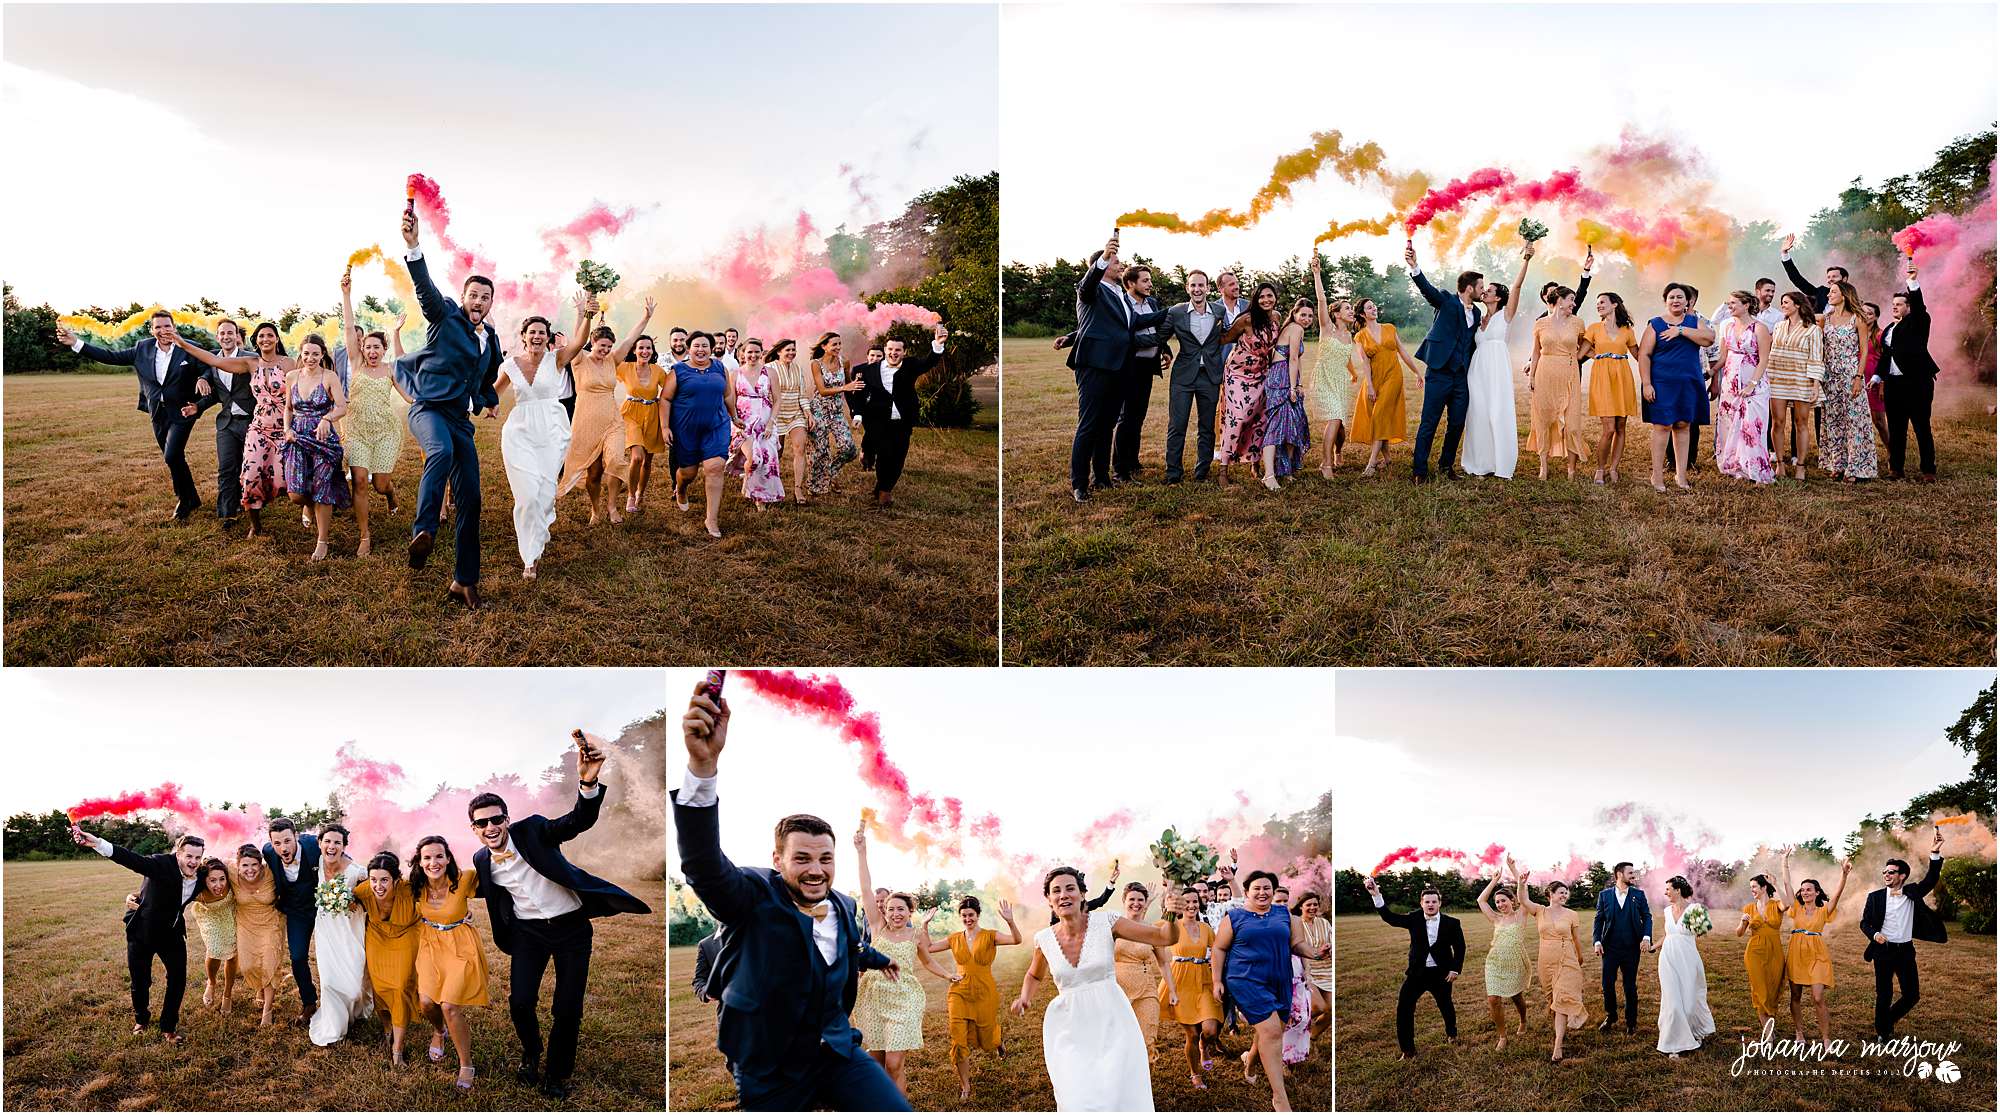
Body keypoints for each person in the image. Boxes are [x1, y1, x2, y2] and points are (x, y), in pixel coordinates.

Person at [674, 683, 912, 1112]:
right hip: (770, 1068)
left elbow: (849, 948)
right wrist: (701, 767)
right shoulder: (752, 897)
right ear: (777, 860)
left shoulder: (844, 904)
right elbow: (704, 866)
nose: (816, 869)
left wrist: (881, 958)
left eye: (825, 858)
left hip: (838, 1053)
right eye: (801, 858)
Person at [470, 732, 651, 1099]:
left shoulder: (534, 830)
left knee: (567, 1009)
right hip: (527, 934)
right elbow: (468, 890)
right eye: (481, 822)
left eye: (496, 819)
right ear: (473, 829)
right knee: (520, 1002)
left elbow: (577, 821)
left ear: (506, 820)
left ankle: (557, 1073)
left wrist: (587, 782)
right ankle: (531, 1054)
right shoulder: (481, 861)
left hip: (571, 929)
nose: (490, 827)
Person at [394, 203, 503, 610]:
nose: (478, 300)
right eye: (473, 294)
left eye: (485, 297)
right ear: (463, 298)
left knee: (472, 499)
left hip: (460, 420)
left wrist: (488, 402)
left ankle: (464, 581)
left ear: (491, 303)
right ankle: (423, 531)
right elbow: (423, 287)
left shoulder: (488, 337)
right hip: (428, 409)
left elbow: (485, 376)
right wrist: (414, 246)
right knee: (438, 451)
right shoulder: (445, 316)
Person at [1010, 865, 1180, 1113]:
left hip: (1112, 1019)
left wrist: (1172, 915)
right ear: (1049, 899)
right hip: (1070, 1026)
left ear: (1082, 894)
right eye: (1056, 891)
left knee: (1117, 1089)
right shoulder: (1043, 939)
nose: (1063, 895)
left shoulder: (1107, 922)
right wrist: (1025, 997)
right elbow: (1034, 974)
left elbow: (1165, 937)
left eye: (1070, 888)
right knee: (1077, 1096)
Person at [55, 311, 208, 521]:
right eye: (158, 327)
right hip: (157, 411)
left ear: (174, 327)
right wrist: (76, 343)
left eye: (166, 326)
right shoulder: (141, 348)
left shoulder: (187, 346)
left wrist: (202, 377)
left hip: (183, 410)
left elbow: (207, 364)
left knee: (172, 455)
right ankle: (192, 498)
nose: (163, 330)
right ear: (151, 330)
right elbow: (110, 356)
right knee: (174, 458)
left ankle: (183, 500)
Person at [70, 825, 203, 1045]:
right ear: (178, 854)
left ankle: (168, 1027)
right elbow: (131, 859)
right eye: (189, 856)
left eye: (198, 857)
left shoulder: (201, 873)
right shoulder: (161, 864)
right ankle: (141, 1019)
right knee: (140, 981)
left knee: (178, 980)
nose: (193, 861)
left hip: (172, 933)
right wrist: (97, 843)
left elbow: (222, 874)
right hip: (142, 932)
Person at [169, 321, 302, 535]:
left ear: (277, 338)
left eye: (270, 335)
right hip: (257, 428)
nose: (265, 339)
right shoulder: (250, 363)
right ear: (256, 341)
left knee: (285, 479)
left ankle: (307, 507)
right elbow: (214, 360)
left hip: (284, 428)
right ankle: (254, 525)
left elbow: (303, 391)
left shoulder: (289, 364)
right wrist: (183, 344)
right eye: (261, 336)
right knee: (249, 475)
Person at [1067, 239, 1166, 502]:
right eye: (1116, 261)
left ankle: (1101, 476)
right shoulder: (1090, 289)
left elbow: (1136, 321)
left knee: (1107, 425)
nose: (1120, 264)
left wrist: (1173, 313)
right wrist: (1103, 258)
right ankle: (1079, 484)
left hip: (1120, 367)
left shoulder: (1120, 295)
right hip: (1095, 365)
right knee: (1088, 425)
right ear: (1102, 265)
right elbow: (1088, 284)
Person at [1219, 870, 1325, 1110]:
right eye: (1256, 888)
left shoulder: (1285, 916)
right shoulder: (1234, 917)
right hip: (1245, 979)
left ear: (1274, 891)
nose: (1262, 892)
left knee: (1273, 1030)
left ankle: (1251, 1062)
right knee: (1272, 1032)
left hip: (1279, 980)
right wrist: (1218, 981)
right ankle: (1280, 1097)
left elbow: (1297, 945)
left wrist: (1316, 954)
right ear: (1247, 892)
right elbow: (1219, 949)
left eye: (1267, 887)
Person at [496, 307, 588, 579]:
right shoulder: (511, 365)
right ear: (523, 336)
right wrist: (478, 404)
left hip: (551, 431)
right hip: (519, 432)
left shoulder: (555, 360)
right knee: (526, 497)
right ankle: (530, 557)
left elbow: (580, 341)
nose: (537, 336)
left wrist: (587, 314)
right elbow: (493, 392)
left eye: (541, 332)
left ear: (547, 337)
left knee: (545, 494)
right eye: (532, 332)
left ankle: (540, 530)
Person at [559, 296, 654, 524]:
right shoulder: (579, 359)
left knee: (616, 462)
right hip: (586, 421)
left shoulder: (613, 360)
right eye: (603, 346)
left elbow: (631, 339)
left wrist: (646, 317)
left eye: (609, 347)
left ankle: (612, 506)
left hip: (612, 419)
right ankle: (595, 509)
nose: (606, 350)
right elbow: (578, 337)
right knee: (593, 474)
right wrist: (583, 314)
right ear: (593, 342)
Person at [921, 895, 1022, 1102]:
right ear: (960, 917)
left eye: (971, 915)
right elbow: (928, 947)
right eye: (964, 915)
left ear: (978, 915)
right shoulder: (954, 938)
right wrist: (924, 924)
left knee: (986, 1038)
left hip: (985, 992)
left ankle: (997, 1041)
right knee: (958, 1039)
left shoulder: (990, 936)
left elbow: (1016, 940)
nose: (968, 919)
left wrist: (1010, 921)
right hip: (959, 991)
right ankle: (965, 1086)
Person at [1402, 242, 1485, 483]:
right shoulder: (1447, 301)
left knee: (1457, 423)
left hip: (1461, 376)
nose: (1482, 290)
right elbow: (1427, 290)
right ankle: (1419, 470)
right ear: (1469, 288)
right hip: (1439, 372)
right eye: (1480, 287)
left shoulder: (1477, 313)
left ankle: (1446, 465)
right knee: (1429, 422)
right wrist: (1415, 266)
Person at [411, 834, 488, 1090]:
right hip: (430, 945)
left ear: (448, 858)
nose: (434, 862)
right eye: (427, 857)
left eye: (439, 856)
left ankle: (466, 1064)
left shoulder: (464, 879)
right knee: (425, 1002)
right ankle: (438, 1031)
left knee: (449, 1005)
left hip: (460, 945)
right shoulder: (414, 886)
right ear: (420, 862)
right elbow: (381, 885)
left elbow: (497, 878)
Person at [337, 268, 405, 556]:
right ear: (362, 349)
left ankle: (390, 494)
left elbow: (409, 396)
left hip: (386, 431)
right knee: (361, 482)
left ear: (383, 348)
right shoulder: (356, 364)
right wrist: (346, 294)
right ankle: (365, 535)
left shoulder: (391, 369)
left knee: (379, 484)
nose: (372, 351)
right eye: (368, 347)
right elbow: (350, 328)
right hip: (357, 431)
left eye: (377, 347)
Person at [1362, 875, 1463, 1060]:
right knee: (1404, 1008)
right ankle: (1408, 1051)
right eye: (1427, 902)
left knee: (1445, 1005)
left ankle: (1452, 1033)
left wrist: (1455, 969)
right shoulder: (1414, 918)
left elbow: (1460, 948)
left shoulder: (1452, 923)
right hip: (1417, 974)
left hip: (1441, 974)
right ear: (1421, 903)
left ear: (1439, 903)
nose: (1430, 904)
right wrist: (1376, 895)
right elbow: (1390, 918)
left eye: (1434, 901)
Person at [1860, 829, 1947, 1040]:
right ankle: (1884, 1032)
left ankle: (1885, 1021)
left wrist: (1934, 853)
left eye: (1891, 872)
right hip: (1883, 950)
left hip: (1905, 951)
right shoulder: (1875, 897)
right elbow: (1865, 922)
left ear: (1902, 876)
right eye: (1885, 872)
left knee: (1911, 995)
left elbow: (1931, 878)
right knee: (1884, 994)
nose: (1886, 875)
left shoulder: (1912, 892)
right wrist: (1875, 935)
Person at [856, 324, 950, 507]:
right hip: (878, 421)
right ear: (885, 350)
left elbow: (929, 362)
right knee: (884, 455)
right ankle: (884, 492)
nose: (893, 353)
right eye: (890, 349)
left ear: (904, 352)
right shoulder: (870, 370)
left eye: (898, 350)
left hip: (902, 422)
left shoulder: (911, 365)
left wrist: (938, 344)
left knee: (898, 457)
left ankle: (884, 487)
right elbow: (859, 394)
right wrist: (858, 414)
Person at [278, 334, 352, 560]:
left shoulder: (329, 377)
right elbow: (288, 408)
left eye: (316, 354)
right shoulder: (291, 376)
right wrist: (287, 429)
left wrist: (327, 419)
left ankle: (322, 541)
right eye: (307, 353)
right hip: (297, 435)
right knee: (295, 494)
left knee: (322, 488)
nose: (310, 358)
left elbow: (341, 407)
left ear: (322, 355)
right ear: (300, 352)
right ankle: (307, 506)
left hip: (322, 438)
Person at [1461, 247, 1533, 479]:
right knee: (1478, 414)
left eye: (1489, 290)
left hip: (1497, 370)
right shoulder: (1479, 318)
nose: (1485, 292)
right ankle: (1480, 464)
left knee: (1497, 413)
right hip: (1477, 370)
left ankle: (1501, 465)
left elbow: (1517, 287)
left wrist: (1526, 260)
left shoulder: (1506, 315)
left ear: (1498, 297)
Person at [1637, 283, 1716, 492]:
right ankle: (1658, 476)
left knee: (1683, 426)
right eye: (1671, 297)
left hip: (1688, 383)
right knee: (1662, 427)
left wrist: (1680, 331)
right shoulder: (1655, 324)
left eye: (1680, 297)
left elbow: (1709, 338)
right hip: (1662, 383)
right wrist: (1646, 383)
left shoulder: (1694, 322)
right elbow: (1644, 354)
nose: (1676, 300)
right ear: (1665, 301)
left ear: (1687, 301)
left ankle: (1681, 476)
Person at [664, 332, 739, 539]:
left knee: (715, 468)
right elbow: (666, 399)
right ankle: (680, 488)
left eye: (705, 345)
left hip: (716, 424)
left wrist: (734, 416)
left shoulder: (719, 368)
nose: (701, 349)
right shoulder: (678, 371)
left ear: (711, 348)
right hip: (686, 428)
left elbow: (728, 394)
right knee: (688, 473)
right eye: (696, 345)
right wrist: (664, 427)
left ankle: (711, 519)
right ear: (689, 348)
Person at [356, 850, 426, 1066]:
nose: (378, 886)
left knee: (400, 986)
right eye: (374, 879)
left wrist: (464, 914)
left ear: (397, 880)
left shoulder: (409, 890)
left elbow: (438, 898)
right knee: (380, 988)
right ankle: (388, 1029)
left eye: (385, 880)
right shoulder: (363, 890)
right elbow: (343, 901)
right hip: (377, 937)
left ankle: (398, 1049)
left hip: (406, 935)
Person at [1873, 256, 1939, 481]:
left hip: (1917, 382)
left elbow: (1920, 307)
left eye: (1900, 304)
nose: (1894, 307)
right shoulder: (1890, 327)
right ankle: (1896, 469)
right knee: (1897, 428)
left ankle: (1928, 470)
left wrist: (1913, 282)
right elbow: (1886, 355)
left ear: (1909, 307)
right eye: (1893, 304)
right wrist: (1877, 375)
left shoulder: (1919, 321)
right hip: (1893, 384)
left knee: (1921, 427)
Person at [1160, 270, 1229, 484]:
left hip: (1209, 376)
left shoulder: (1219, 311)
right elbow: (1160, 336)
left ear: (1208, 288)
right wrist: (1165, 351)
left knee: (1207, 426)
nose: (1197, 289)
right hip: (1183, 376)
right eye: (1193, 286)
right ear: (1187, 288)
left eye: (1201, 285)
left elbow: (1228, 334)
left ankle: (1202, 471)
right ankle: (1173, 473)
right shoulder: (1176, 312)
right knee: (1177, 425)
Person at [1514, 864, 1587, 1062]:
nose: (1565, 895)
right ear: (1551, 894)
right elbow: (1523, 899)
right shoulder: (1539, 911)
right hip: (1546, 960)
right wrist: (1521, 884)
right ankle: (1559, 1029)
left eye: (1566, 892)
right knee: (1552, 1000)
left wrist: (1580, 957)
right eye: (1561, 892)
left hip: (1567, 959)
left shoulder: (1572, 914)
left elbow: (1576, 939)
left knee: (1562, 999)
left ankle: (1558, 1046)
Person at [189, 319, 258, 526]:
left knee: (249, 468)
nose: (226, 336)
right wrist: (197, 406)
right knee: (226, 467)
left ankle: (253, 504)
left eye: (230, 332)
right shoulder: (211, 361)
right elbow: (217, 395)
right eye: (222, 333)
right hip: (226, 423)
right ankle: (228, 513)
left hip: (251, 421)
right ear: (217, 337)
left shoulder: (251, 359)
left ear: (237, 336)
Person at [308, 824, 371, 1046]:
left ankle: (356, 1010)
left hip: (350, 932)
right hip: (325, 930)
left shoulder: (358, 872)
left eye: (337, 842)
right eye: (327, 841)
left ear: (344, 846)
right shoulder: (317, 864)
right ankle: (334, 1028)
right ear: (320, 844)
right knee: (328, 981)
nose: (332, 846)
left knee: (354, 986)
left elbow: (373, 899)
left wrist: (355, 901)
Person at [1780, 848, 1849, 1047]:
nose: (1805, 892)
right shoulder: (1796, 908)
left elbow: (1837, 894)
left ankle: (1826, 1038)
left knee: (1818, 997)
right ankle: (1799, 1033)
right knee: (1795, 995)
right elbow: (1786, 884)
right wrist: (1785, 861)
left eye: (1809, 889)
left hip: (1817, 954)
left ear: (1817, 892)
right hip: (1796, 953)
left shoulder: (1823, 910)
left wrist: (1843, 875)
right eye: (1802, 890)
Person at [1216, 283, 1282, 488]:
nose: (1266, 300)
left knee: (1259, 419)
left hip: (1262, 374)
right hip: (1238, 374)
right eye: (1261, 297)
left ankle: (1255, 463)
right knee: (1238, 418)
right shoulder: (1246, 320)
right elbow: (1224, 339)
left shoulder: (1276, 318)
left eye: (1269, 296)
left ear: (1275, 298)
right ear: (1255, 299)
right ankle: (1223, 468)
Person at [1159, 888, 1224, 1090]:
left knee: (1210, 1031)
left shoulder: (1206, 928)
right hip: (1181, 982)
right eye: (1186, 901)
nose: (1191, 905)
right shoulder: (1172, 926)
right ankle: (1195, 1074)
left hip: (1203, 980)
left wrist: (1217, 980)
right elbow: (1159, 935)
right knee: (1192, 1035)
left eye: (1195, 901)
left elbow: (1216, 953)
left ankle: (1205, 1046)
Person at [262, 817, 323, 1026]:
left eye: (287, 841)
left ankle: (338, 1003)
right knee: (297, 958)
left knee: (330, 957)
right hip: (296, 912)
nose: (283, 848)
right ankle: (309, 1003)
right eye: (277, 843)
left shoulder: (315, 846)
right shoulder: (268, 853)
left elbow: (343, 858)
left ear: (296, 836)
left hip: (323, 908)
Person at [1112, 264, 1169, 483]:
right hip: (1129, 366)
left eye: (1149, 280)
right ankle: (1120, 470)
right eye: (1145, 280)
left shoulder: (1152, 303)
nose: (1150, 284)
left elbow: (1156, 330)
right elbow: (1127, 337)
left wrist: (1164, 349)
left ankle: (1132, 462)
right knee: (1126, 418)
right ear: (1130, 283)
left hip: (1148, 367)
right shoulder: (1122, 304)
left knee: (1138, 416)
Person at [1351, 298, 1419, 478]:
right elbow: (1365, 362)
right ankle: (1387, 458)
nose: (1374, 308)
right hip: (1374, 379)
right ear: (1362, 314)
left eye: (1374, 306)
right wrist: (1370, 387)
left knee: (1380, 414)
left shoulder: (1389, 328)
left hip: (1393, 376)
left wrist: (1417, 372)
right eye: (1369, 307)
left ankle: (1372, 463)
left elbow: (1403, 351)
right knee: (1380, 417)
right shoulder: (1360, 336)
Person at [1527, 285, 1589, 481]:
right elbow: (1536, 352)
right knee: (1544, 420)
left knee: (1571, 425)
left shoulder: (1578, 323)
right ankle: (1543, 466)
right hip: (1545, 373)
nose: (1574, 303)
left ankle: (1571, 469)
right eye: (1571, 299)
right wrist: (1531, 376)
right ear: (1559, 301)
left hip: (1569, 375)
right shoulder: (1540, 324)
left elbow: (1586, 345)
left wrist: (1596, 356)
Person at [1816, 280, 1877, 481]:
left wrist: (1859, 377)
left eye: (1832, 292)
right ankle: (1837, 464)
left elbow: (1864, 350)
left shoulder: (1857, 318)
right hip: (1830, 375)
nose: (1828, 295)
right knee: (1833, 421)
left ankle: (1857, 467)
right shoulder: (1826, 318)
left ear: (1844, 294)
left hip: (1851, 374)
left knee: (1855, 421)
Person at [1713, 292, 1775, 484]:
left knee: (1751, 427)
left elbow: (1764, 359)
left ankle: (1756, 469)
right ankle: (1736, 466)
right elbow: (1723, 357)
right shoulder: (1728, 327)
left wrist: (1752, 384)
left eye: (1733, 303)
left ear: (1746, 304)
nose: (1729, 306)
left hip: (1753, 385)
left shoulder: (1760, 328)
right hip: (1730, 383)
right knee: (1730, 424)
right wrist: (1711, 373)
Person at [1307, 258, 1361, 477]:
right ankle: (1326, 464)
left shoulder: (1349, 335)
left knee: (1340, 425)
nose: (1351, 311)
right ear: (1337, 313)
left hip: (1340, 380)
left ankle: (1338, 451)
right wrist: (1317, 274)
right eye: (1347, 308)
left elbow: (1345, 357)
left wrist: (1353, 372)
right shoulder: (1326, 328)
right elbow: (1321, 299)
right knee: (1335, 418)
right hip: (1323, 378)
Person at [1766, 292, 1825, 482]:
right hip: (1778, 378)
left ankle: (1800, 465)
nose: (1783, 305)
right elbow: (1772, 352)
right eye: (1782, 303)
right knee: (1778, 422)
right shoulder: (1779, 326)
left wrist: (1816, 384)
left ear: (1798, 305)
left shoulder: (1813, 329)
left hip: (1802, 379)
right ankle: (1780, 464)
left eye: (1786, 302)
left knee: (1801, 423)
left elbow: (1816, 358)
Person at [1256, 299, 1315, 488]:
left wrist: (1299, 383)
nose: (1306, 319)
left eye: (1310, 316)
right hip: (1281, 378)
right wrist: (1291, 387)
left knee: (1293, 424)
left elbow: (1297, 359)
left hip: (1285, 376)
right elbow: (1292, 359)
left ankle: (1286, 469)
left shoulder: (1291, 327)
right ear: (1295, 313)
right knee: (1276, 426)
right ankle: (1269, 475)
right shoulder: (1295, 328)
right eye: (1303, 314)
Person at [1584, 292, 1641, 484]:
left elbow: (1639, 356)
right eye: (1597, 303)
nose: (1598, 305)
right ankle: (1600, 469)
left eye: (1602, 302)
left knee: (1621, 426)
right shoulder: (1593, 328)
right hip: (1602, 379)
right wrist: (1599, 356)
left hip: (1622, 378)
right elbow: (1579, 353)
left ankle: (1614, 468)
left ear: (1614, 304)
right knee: (1608, 428)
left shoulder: (1627, 330)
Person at [1654, 876, 1714, 1058]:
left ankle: (1695, 1031)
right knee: (1672, 1002)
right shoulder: (1666, 911)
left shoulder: (1695, 909)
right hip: (1668, 958)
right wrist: (1653, 947)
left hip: (1688, 959)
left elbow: (1703, 932)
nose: (1665, 892)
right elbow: (1668, 935)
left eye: (1668, 889)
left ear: (1677, 890)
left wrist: (1700, 925)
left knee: (1689, 1001)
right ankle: (1674, 1045)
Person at [1110, 882, 1171, 1059]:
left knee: (1146, 1042)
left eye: (1140, 900)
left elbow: (1163, 963)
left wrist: (1172, 991)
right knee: (1120, 1043)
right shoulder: (1112, 927)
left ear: (1145, 903)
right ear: (1123, 900)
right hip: (1117, 991)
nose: (1136, 903)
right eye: (1132, 899)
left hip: (1146, 990)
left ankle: (1143, 1084)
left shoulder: (1150, 930)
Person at [228, 842, 285, 1026]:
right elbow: (207, 870)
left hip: (271, 923)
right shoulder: (230, 873)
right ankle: (260, 987)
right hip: (246, 925)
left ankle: (267, 1010)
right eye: (245, 865)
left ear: (261, 864)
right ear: (238, 865)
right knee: (248, 966)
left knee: (269, 963)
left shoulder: (270, 873)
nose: (250, 870)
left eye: (254, 864)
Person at [1474, 869, 1530, 1051]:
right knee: (1493, 999)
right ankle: (1502, 1036)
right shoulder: (1496, 918)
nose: (1499, 904)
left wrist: (1518, 877)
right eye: (1497, 902)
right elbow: (1481, 901)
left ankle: (1523, 1020)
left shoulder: (1521, 914)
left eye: (1503, 901)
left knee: (1516, 996)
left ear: (1512, 901)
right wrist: (1494, 880)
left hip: (1514, 963)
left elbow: (1524, 897)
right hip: (1495, 963)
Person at [616, 332, 669, 514]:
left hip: (652, 414)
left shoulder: (658, 370)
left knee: (647, 461)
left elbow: (670, 390)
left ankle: (641, 493)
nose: (645, 351)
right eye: (641, 347)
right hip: (631, 413)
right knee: (637, 457)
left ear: (652, 350)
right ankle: (630, 495)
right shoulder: (625, 367)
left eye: (648, 348)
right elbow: (608, 359)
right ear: (634, 350)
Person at [730, 339, 786, 507]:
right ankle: (752, 489)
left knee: (768, 457)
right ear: (742, 354)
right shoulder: (735, 374)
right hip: (743, 422)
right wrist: (734, 420)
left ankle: (760, 496)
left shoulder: (770, 373)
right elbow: (730, 401)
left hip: (765, 421)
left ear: (762, 353)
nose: (753, 355)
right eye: (749, 352)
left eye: (757, 352)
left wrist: (771, 423)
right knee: (755, 458)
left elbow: (777, 400)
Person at [807, 332, 862, 495]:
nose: (838, 347)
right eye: (834, 344)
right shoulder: (816, 364)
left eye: (839, 344)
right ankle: (814, 486)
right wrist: (845, 387)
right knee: (819, 451)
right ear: (824, 346)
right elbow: (822, 390)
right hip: (819, 410)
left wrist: (854, 388)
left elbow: (849, 384)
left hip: (837, 412)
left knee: (849, 447)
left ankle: (830, 472)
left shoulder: (844, 361)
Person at [1735, 873, 1787, 1036]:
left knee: (1772, 989)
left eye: (1754, 887)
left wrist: (1776, 884)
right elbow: (1739, 933)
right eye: (1751, 887)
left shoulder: (1776, 905)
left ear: (1764, 887)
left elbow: (1788, 904)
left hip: (1774, 951)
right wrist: (1743, 921)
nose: (1752, 890)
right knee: (1759, 991)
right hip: (1755, 951)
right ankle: (1769, 1035)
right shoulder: (1749, 908)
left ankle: (1770, 1023)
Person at [764, 339, 815, 503]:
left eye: (794, 349)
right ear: (779, 351)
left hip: (795, 414)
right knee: (776, 453)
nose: (791, 353)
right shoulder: (770, 368)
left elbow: (802, 394)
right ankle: (771, 487)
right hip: (776, 415)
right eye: (788, 350)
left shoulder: (798, 368)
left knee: (800, 449)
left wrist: (808, 413)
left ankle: (798, 490)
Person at [187, 857, 238, 1014]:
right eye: (212, 880)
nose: (218, 885)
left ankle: (227, 995)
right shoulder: (198, 892)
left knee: (232, 955)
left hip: (231, 915)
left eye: (222, 879)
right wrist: (135, 897)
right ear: (205, 881)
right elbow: (166, 890)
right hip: (211, 918)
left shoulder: (232, 881)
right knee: (214, 950)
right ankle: (212, 982)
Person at [1293, 892, 1330, 1046]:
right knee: (1318, 1007)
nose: (1312, 907)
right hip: (1307, 971)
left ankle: (1310, 1038)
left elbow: (1332, 941)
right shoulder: (1295, 925)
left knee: (1331, 1011)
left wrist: (1330, 948)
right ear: (1301, 906)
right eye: (1308, 904)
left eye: (1315, 904)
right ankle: (1291, 1029)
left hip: (1327, 970)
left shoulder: (1324, 923)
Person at [1778, 233, 1842, 313]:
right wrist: (1785, 254)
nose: (1830, 280)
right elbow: (1797, 279)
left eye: (1834, 276)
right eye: (1828, 277)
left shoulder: (1852, 298)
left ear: (1845, 279)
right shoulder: (1821, 293)